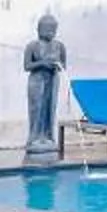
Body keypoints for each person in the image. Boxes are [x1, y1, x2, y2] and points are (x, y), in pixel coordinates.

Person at [22, 11, 68, 164]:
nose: (50, 32)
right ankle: (34, 137)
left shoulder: (60, 46)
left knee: (50, 109)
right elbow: (27, 66)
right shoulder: (32, 46)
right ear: (39, 29)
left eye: (53, 29)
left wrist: (56, 64)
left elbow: (64, 66)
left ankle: (48, 136)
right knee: (37, 109)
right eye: (47, 28)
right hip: (36, 81)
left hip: (52, 81)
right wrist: (42, 63)